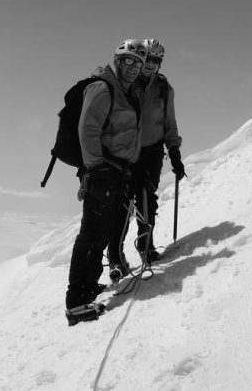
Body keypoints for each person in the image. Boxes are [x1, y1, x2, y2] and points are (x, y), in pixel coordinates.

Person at [65, 39, 145, 325]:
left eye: (138, 63)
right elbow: (87, 128)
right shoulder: (103, 87)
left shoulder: (124, 92)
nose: (134, 67)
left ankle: (87, 289)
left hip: (114, 171)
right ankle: (75, 303)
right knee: (90, 235)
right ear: (117, 61)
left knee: (101, 233)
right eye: (128, 61)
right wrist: (95, 167)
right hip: (102, 171)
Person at [108, 39, 185, 278]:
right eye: (149, 58)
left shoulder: (163, 87)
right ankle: (115, 258)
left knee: (147, 200)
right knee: (123, 203)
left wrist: (175, 153)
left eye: (157, 60)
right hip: (126, 152)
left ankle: (145, 245)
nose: (152, 64)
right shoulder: (127, 85)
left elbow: (169, 122)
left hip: (151, 151)